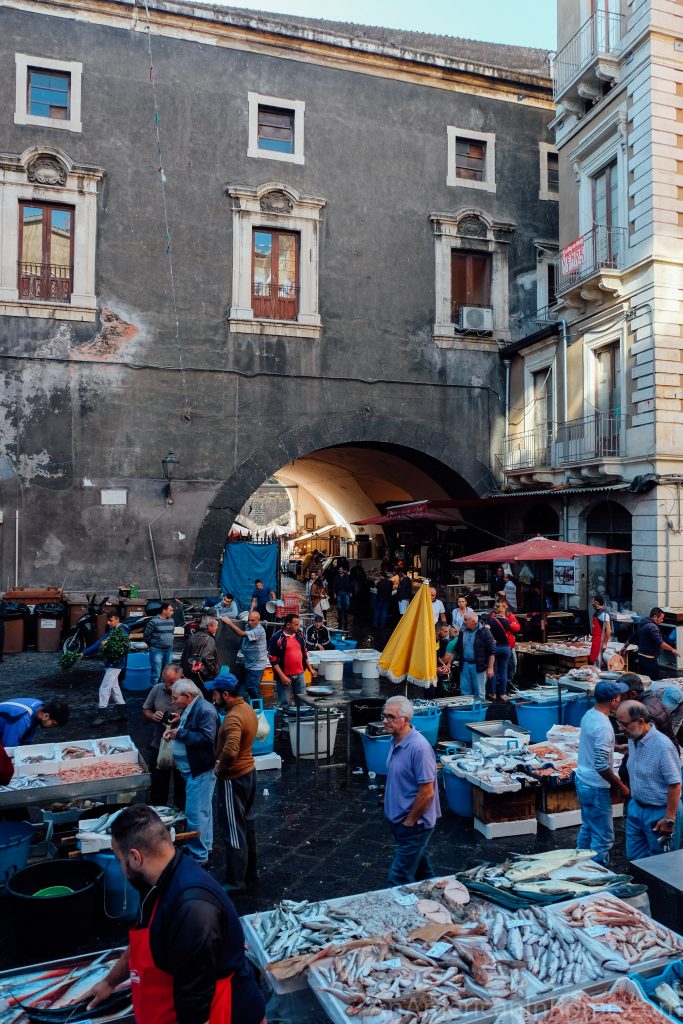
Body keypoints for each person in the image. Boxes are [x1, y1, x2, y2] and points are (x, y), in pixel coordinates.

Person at [85, 804, 266, 1024]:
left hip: (224, 1014)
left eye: (119, 860)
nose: (122, 868)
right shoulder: (154, 881)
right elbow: (144, 943)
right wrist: (109, 982)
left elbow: (195, 1004)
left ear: (135, 858)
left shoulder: (194, 910)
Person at [382, 696, 441, 885]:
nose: (385, 721)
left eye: (391, 717)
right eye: (384, 716)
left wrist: (409, 822)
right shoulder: (395, 740)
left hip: (414, 825)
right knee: (423, 871)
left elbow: (427, 792)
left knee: (397, 878)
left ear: (406, 720)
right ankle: (437, 900)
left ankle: (400, 912)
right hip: (400, 821)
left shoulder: (419, 748)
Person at [208, 675, 259, 892]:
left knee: (233, 829)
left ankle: (236, 880)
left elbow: (230, 750)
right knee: (246, 824)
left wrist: (219, 767)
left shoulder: (233, 718)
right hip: (249, 772)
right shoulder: (246, 708)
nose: (213, 697)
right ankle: (251, 872)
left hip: (234, 778)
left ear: (226, 695)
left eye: (215, 693)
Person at [616, 700, 683, 859]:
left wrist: (669, 819)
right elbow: (637, 756)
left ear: (640, 722)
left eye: (624, 724)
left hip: (659, 813)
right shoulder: (634, 738)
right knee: (635, 860)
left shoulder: (663, 746)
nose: (620, 728)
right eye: (619, 723)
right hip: (636, 809)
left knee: (660, 865)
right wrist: (618, 748)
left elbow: (675, 784)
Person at [575, 679, 630, 866]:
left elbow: (594, 745)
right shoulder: (605, 727)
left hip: (582, 780)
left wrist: (615, 747)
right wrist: (620, 785)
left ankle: (577, 864)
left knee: (589, 827)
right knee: (604, 837)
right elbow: (600, 765)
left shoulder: (590, 715)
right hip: (596, 786)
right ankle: (595, 874)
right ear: (614, 700)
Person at [163, 681, 219, 864]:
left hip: (200, 770)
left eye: (175, 697)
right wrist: (179, 727)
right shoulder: (193, 707)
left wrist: (180, 734)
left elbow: (206, 737)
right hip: (193, 770)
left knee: (195, 814)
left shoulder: (205, 710)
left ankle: (198, 856)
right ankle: (204, 846)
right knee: (202, 812)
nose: (173, 701)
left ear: (187, 696)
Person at [142, 664, 186, 808]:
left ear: (182, 678)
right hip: (159, 744)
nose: (167, 686)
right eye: (165, 681)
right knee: (158, 788)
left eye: (172, 683)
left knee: (182, 788)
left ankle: (181, 820)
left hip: (182, 746)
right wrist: (153, 715)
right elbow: (146, 710)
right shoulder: (157, 689)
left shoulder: (191, 692)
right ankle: (159, 818)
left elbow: (199, 717)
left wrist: (181, 719)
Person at [83, 612, 130, 726]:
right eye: (108, 620)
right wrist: (84, 653)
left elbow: (109, 643)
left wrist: (85, 652)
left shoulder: (122, 630)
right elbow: (99, 642)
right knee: (115, 689)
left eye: (111, 620)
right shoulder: (112, 630)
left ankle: (102, 714)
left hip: (115, 665)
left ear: (117, 619)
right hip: (110, 664)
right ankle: (123, 714)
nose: (108, 623)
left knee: (104, 688)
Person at [269, 613, 317, 707]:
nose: (298, 627)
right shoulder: (277, 637)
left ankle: (300, 720)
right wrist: (282, 677)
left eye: (298, 624)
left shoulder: (300, 635)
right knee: (285, 702)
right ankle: (286, 721)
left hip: (300, 674)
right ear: (288, 625)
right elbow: (272, 659)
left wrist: (310, 668)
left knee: (302, 701)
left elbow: (304, 653)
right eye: (296, 625)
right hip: (285, 675)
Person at [219, 611, 269, 701]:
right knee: (246, 687)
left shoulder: (259, 630)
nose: (250, 622)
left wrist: (229, 622)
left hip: (257, 665)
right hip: (248, 662)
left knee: (252, 687)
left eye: (253, 620)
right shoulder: (249, 626)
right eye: (249, 620)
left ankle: (257, 706)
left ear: (258, 621)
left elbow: (241, 634)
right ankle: (250, 704)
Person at [620, 672, 678, 747]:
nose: (619, 698)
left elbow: (646, 744)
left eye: (622, 695)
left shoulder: (642, 712)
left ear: (633, 694)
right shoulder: (652, 698)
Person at [452, 612, 495, 700]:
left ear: (474, 621)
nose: (464, 622)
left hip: (479, 666)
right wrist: (449, 663)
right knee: (465, 691)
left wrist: (490, 668)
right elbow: (457, 649)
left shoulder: (485, 631)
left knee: (479, 692)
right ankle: (467, 711)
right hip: (465, 665)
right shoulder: (463, 631)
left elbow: (492, 651)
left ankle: (479, 712)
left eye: (466, 620)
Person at [0, 698, 69, 746]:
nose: (52, 727)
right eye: (53, 724)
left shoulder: (39, 706)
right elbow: (9, 748)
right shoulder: (22, 719)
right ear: (46, 716)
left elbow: (28, 735)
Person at [487, 599, 521, 701]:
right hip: (506, 647)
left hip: (495, 648)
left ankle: (493, 694)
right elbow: (514, 629)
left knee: (493, 671)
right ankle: (502, 694)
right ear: (502, 610)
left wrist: (492, 639)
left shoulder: (491, 621)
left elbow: (486, 629)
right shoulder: (506, 621)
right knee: (503, 672)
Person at [636, 608, 679, 680]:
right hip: (649, 659)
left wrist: (625, 647)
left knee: (644, 680)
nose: (662, 621)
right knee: (655, 681)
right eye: (661, 618)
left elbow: (634, 635)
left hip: (641, 657)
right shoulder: (653, 627)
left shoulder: (642, 623)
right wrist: (672, 649)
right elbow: (660, 643)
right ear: (655, 617)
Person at [181, 616, 220, 696]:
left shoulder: (192, 637)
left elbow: (184, 656)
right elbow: (207, 658)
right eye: (216, 626)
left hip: (191, 674)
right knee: (206, 696)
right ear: (210, 626)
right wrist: (214, 671)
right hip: (204, 676)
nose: (217, 628)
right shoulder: (209, 639)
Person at [144, 601, 176, 689]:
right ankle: (153, 695)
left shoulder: (172, 621)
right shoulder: (154, 621)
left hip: (168, 650)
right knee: (156, 675)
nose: (172, 612)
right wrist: (152, 645)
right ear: (164, 610)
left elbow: (171, 633)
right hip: (157, 651)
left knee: (167, 674)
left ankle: (163, 692)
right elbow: (146, 635)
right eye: (171, 610)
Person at [589, 595, 612, 667]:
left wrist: (605, 643)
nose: (592, 603)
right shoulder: (597, 612)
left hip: (600, 640)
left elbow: (608, 631)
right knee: (593, 659)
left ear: (596, 602)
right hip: (595, 639)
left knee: (598, 660)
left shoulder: (604, 614)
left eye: (592, 601)